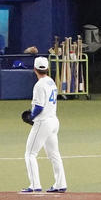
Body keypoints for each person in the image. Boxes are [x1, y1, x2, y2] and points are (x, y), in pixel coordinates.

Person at [21, 56, 67, 193]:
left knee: (30, 154)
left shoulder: (39, 85)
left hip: (43, 122)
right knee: (54, 154)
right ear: (47, 69)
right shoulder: (50, 81)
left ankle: (34, 185)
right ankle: (60, 184)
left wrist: (31, 116)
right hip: (54, 121)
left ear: (34, 69)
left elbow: (39, 107)